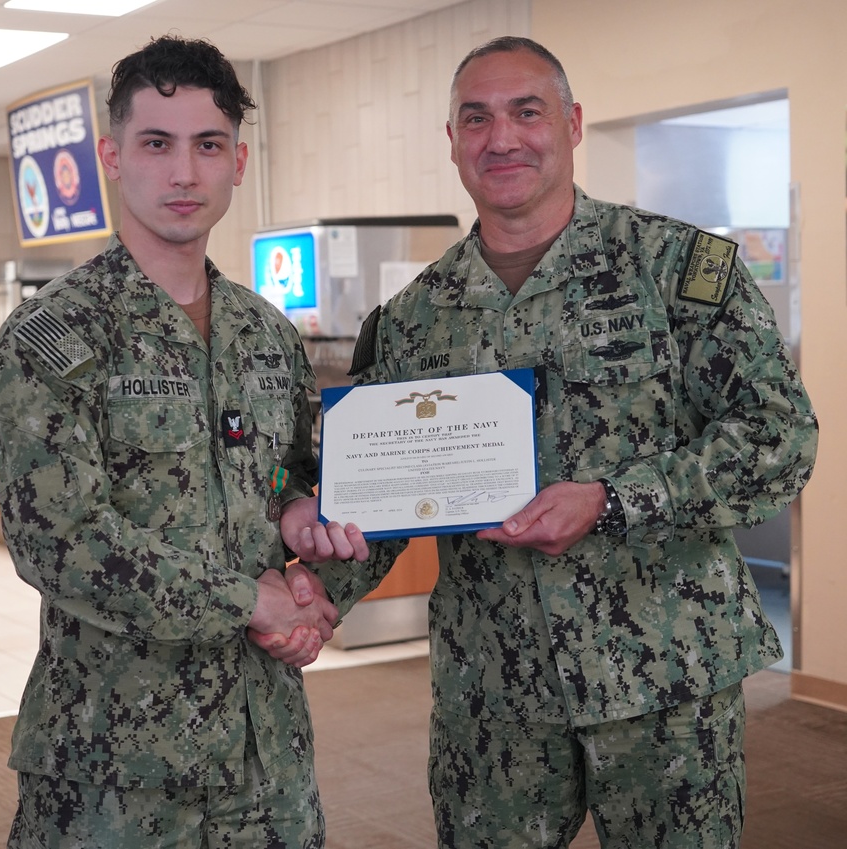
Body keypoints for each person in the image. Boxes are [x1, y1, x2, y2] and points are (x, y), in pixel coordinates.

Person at [268, 36, 819, 849]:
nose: (503, 138)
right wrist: (317, 594)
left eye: (528, 111)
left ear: (572, 123)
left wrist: (612, 500)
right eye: (476, 118)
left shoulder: (675, 271)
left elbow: (780, 439)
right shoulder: (415, 318)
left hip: (664, 683)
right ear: (452, 140)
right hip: (494, 700)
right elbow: (378, 494)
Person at [0, 35, 364, 849]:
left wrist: (304, 531)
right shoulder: (54, 336)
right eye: (157, 143)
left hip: (269, 756)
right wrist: (250, 598)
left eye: (207, 145)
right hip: (116, 769)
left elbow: (298, 479)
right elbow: (60, 542)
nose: (184, 173)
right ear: (113, 156)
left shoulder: (267, 335)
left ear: (239, 160)